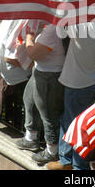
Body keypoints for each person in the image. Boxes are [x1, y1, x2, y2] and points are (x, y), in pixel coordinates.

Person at [46, 22, 95, 170]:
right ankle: (66, 161)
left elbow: (61, 30)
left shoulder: (81, 27)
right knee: (71, 121)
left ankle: (77, 165)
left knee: (77, 126)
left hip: (76, 82)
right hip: (92, 80)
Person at [19, 23, 66, 165]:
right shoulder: (54, 27)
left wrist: (29, 37)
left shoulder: (53, 30)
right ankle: (30, 137)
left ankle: (52, 151)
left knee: (48, 112)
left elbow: (33, 53)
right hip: (44, 72)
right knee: (29, 100)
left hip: (49, 77)